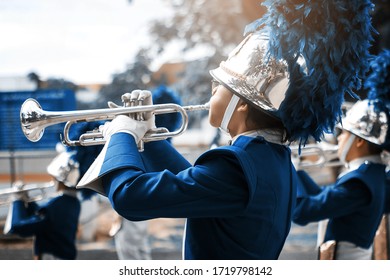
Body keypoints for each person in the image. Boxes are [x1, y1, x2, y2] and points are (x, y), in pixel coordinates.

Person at [77, 1, 374, 259]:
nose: (212, 90)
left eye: (220, 85)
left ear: (241, 104)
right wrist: (149, 136)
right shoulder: (266, 158)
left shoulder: (239, 165)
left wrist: (122, 133)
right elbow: (193, 185)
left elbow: (131, 198)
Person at [293, 49, 390, 260]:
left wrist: (290, 171)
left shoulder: (359, 183)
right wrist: (298, 173)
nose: (338, 139)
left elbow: (302, 212)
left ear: (360, 141)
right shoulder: (372, 175)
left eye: (344, 133)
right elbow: (323, 198)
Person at [3, 122, 102, 260]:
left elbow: (19, 227)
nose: (53, 181)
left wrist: (17, 200)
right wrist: (28, 202)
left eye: (55, 178)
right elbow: (47, 219)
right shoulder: (72, 203)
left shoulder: (56, 205)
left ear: (61, 180)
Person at [110, 84, 181, 260]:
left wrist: (122, 135)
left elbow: (123, 196)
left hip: (137, 196)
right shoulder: (163, 143)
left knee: (130, 250)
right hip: (140, 198)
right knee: (138, 249)